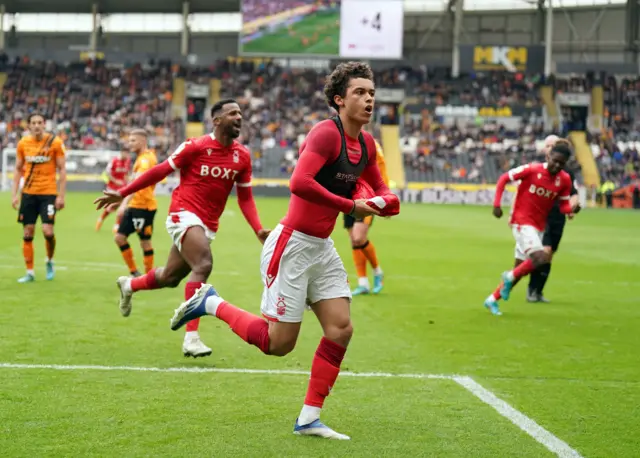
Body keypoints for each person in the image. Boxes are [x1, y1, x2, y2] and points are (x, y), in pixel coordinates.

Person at [169, 62, 397, 439]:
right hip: (291, 245)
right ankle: (210, 303)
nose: (369, 99)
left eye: (371, 93)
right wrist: (352, 204)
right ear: (339, 100)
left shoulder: (368, 145)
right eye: (360, 92)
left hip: (321, 248)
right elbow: (299, 183)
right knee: (278, 346)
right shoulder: (326, 134)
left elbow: (383, 190)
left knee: (340, 329)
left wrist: (384, 200)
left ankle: (309, 418)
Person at [94, 99, 269, 358]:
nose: (239, 117)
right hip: (183, 213)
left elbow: (245, 197)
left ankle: (130, 285)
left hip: (208, 224)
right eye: (233, 113)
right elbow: (159, 171)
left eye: (241, 113)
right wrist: (122, 192)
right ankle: (191, 338)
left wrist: (258, 230)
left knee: (170, 277)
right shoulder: (195, 146)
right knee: (204, 264)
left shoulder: (241, 156)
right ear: (217, 120)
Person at [484, 141, 579, 316]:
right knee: (541, 257)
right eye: (555, 161)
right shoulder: (532, 169)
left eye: (562, 163)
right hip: (521, 221)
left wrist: (572, 208)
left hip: (538, 226)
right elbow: (504, 178)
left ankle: (491, 300)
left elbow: (564, 206)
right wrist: (497, 204)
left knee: (520, 270)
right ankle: (508, 277)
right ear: (548, 156)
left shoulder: (564, 179)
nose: (557, 166)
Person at [11, 113, 67, 283]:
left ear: (44, 125)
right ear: (28, 126)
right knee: (28, 232)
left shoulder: (55, 142)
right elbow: (18, 169)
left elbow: (62, 170)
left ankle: (49, 260)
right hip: (28, 193)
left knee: (47, 231)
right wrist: (14, 194)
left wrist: (61, 195)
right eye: (33, 123)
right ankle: (30, 272)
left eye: (39, 123)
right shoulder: (23, 143)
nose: (36, 126)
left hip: (48, 193)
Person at [527, 137, 580, 302]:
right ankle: (530, 288)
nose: (550, 148)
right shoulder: (536, 169)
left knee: (549, 256)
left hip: (559, 217)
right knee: (545, 251)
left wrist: (573, 206)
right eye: (548, 146)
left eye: (553, 145)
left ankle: (538, 291)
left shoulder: (566, 172)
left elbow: (573, 193)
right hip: (541, 216)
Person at [345, 136, 389, 295]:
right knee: (354, 240)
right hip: (348, 196)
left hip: (367, 196)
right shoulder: (341, 140)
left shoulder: (370, 143)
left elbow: (381, 168)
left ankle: (378, 272)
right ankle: (363, 282)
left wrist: (385, 197)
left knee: (358, 237)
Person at [112, 130, 158, 278]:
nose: (129, 143)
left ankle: (149, 276)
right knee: (120, 238)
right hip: (135, 204)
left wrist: (123, 202)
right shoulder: (142, 158)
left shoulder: (145, 160)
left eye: (132, 141)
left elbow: (137, 182)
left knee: (145, 241)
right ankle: (134, 272)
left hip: (144, 206)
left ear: (142, 141)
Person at [96, 149, 131, 232]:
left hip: (122, 187)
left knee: (121, 205)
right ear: (122, 152)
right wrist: (115, 181)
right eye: (125, 153)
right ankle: (101, 219)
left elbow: (126, 174)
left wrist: (128, 182)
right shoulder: (114, 160)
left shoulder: (127, 161)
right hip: (112, 187)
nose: (126, 155)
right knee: (112, 206)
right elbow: (107, 173)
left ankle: (116, 225)